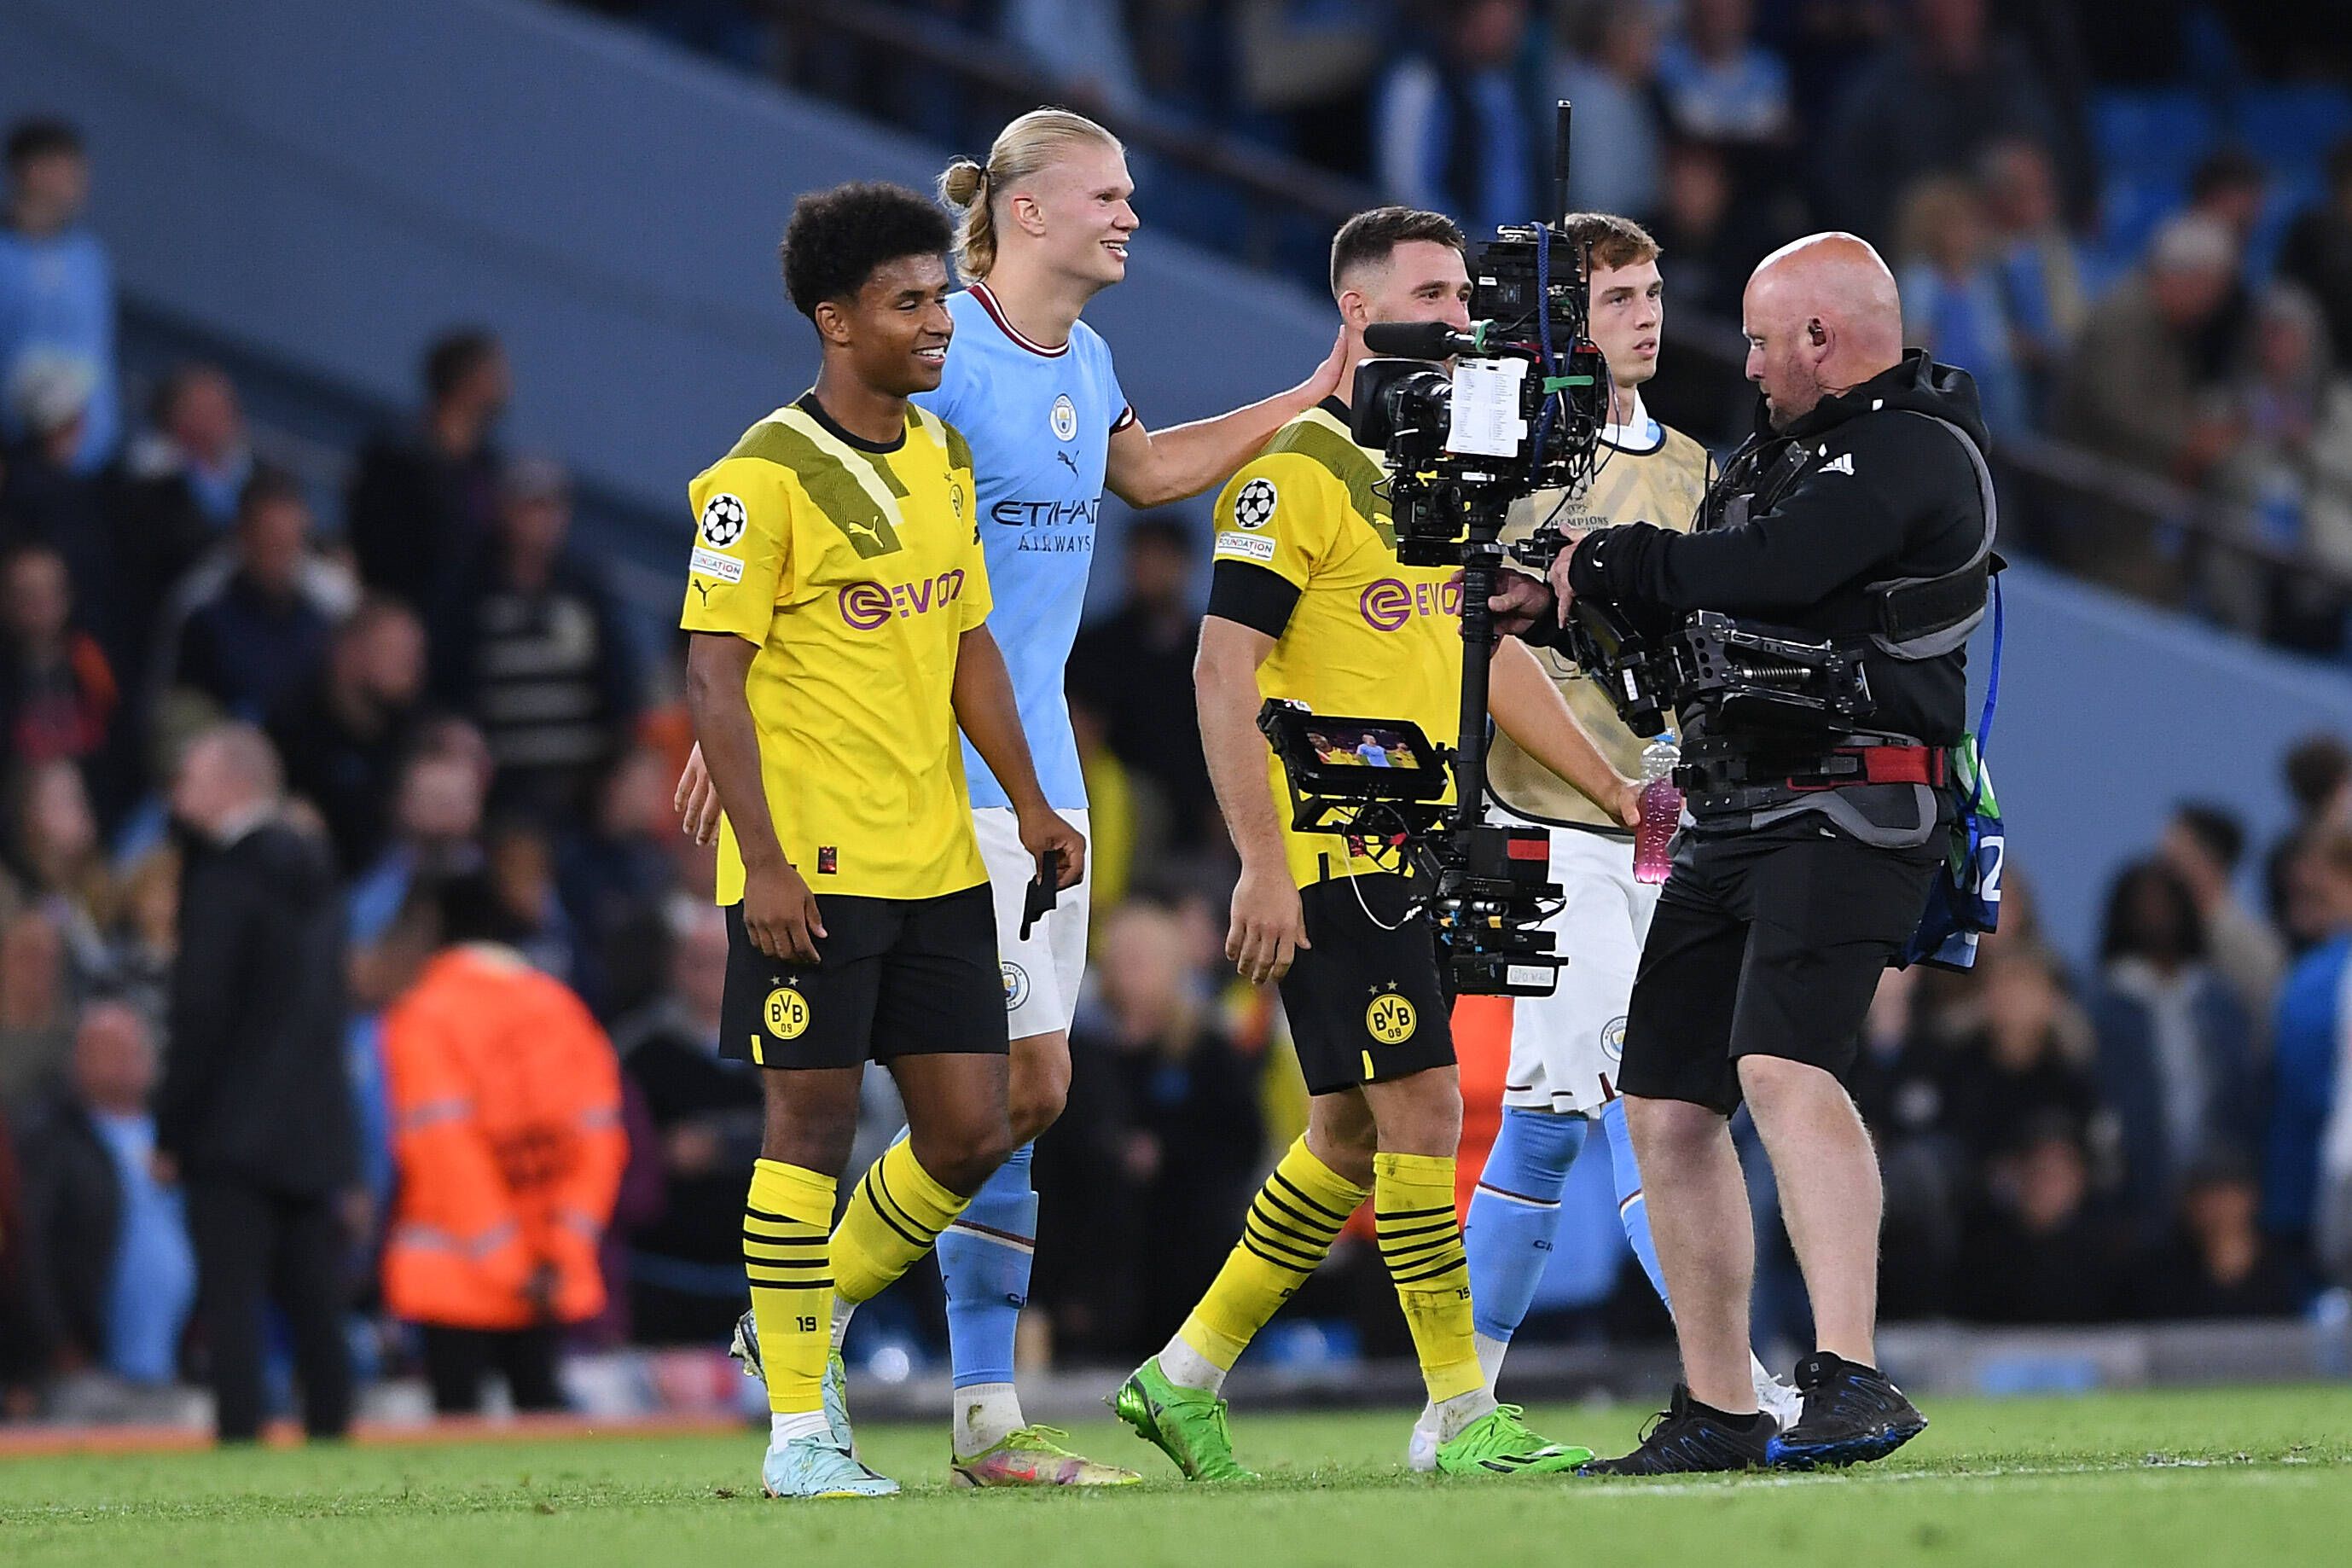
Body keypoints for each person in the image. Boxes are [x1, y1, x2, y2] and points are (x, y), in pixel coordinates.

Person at [683, 107, 1346, 1484]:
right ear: (1027, 209)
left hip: (1039, 776)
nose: (1130, 216)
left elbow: (1148, 470)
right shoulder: (937, 354)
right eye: (1107, 194)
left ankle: (856, 1343)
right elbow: (831, 500)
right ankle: (882, 1366)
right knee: (972, 1099)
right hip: (927, 785)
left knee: (1033, 1091)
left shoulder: (1083, 357)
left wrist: (1305, 395)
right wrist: (731, 709)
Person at [1112, 206, 1640, 1483]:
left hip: (1413, 840)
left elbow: (1486, 653)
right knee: (1417, 1108)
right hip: (1332, 842)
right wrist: (1260, 859)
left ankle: (1180, 1378)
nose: (1461, 314)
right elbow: (1219, 664)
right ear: (1357, 314)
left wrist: (1614, 788)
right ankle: (1461, 1412)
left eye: (1465, 290)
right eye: (1432, 291)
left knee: (1348, 1128)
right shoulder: (1293, 468)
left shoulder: (1435, 471)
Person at [1492, 233, 1990, 1472]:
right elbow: (1697, 628)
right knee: (1663, 1102)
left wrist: (1618, 559)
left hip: (1857, 800)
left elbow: (1778, 571)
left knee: (1780, 1066)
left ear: (1822, 339)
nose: (1752, 363)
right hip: (1734, 803)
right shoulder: (1764, 461)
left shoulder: (1913, 450)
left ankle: (1852, 1372)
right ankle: (1720, 1402)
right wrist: (1562, 603)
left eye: (1767, 340)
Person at [679, 181, 1084, 1500]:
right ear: (835, 319)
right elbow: (711, 679)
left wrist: (1027, 803)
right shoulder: (759, 475)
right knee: (804, 1127)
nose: (936, 325)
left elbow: (970, 647)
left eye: (940, 300)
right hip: (815, 869)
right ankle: (803, 1431)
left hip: (940, 859)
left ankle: (786, 1320)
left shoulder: (942, 457)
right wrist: (765, 863)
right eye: (909, 303)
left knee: (979, 1124)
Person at [1430, 212, 1797, 1473]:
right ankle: (1736, 1377)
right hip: (1552, 829)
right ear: (1563, 319)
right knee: (1662, 1103)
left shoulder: (1696, 467)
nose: (1644, 312)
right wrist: (1612, 787)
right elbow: (1492, 654)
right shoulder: (1528, 469)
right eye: (1618, 293)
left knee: (1553, 1116)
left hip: (1670, 830)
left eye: (1651, 290)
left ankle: (1457, 1401)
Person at [158, 723, 358, 1443]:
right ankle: (333, 1437)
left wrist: (171, 1130)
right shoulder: (317, 866)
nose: (177, 793)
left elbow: (201, 1013)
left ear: (233, 783)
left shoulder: (221, 875)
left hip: (230, 1129)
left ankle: (240, 1438)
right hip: (312, 1126)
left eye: (189, 776)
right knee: (315, 1301)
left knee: (233, 1301)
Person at [378, 874, 627, 1415]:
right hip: (549, 1268)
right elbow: (599, 1144)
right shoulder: (562, 1008)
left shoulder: (424, 1015)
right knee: (543, 1430)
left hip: (460, 1273)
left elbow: (445, 1154)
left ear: (431, 929)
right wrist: (560, 1252)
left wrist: (509, 1265)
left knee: (458, 1444)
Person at [431, 454, 642, 824]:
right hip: (498, 792)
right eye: (530, 506)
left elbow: (619, 682)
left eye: (551, 508)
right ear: (505, 510)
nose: (541, 521)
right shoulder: (471, 590)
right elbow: (448, 678)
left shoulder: (587, 590)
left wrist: (617, 764)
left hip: (580, 795)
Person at [14, 1002, 197, 1386]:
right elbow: (32, 1245)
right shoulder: (54, 1140)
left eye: (132, 1048)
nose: (125, 1061)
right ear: (78, 1060)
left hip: (180, 1363)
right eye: (107, 1050)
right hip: (89, 1367)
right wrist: (56, 1339)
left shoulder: (177, 1137)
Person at [2087, 859, 2260, 1244]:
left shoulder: (2218, 1001)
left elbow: (2243, 1092)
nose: (2155, 915)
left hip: (2221, 1183)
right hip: (2133, 1191)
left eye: (2165, 903)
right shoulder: (2103, 1005)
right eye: (2143, 905)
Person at [618, 899, 766, 1344]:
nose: (710, 976)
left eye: (722, 962)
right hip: (663, 1276)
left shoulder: (785, 1043)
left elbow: (852, 1134)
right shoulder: (639, 1052)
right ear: (674, 967)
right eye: (697, 962)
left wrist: (727, 1147)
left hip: (763, 1276)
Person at [344, 328, 509, 618]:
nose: (506, 384)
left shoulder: (487, 466)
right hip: (399, 612)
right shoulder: (397, 456)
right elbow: (371, 539)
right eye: (495, 372)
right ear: (466, 379)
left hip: (458, 624)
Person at [0, 119, 116, 472]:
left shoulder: (91, 258)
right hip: (18, 457)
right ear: (32, 170)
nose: (80, 183)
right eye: (69, 169)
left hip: (89, 463)